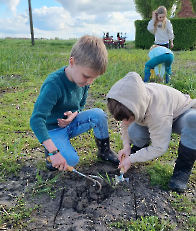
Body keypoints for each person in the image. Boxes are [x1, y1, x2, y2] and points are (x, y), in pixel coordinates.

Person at [30, 35, 119, 171]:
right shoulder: (54, 85)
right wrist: (54, 152)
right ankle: (51, 153)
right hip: (53, 130)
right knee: (71, 160)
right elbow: (36, 120)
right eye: (87, 76)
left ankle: (104, 152)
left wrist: (74, 114)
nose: (89, 82)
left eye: (93, 79)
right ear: (72, 62)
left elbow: (81, 104)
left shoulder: (83, 82)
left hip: (71, 123)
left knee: (99, 115)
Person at [106, 72, 196, 193]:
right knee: (134, 131)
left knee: (193, 120)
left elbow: (159, 147)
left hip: (179, 115)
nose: (125, 122)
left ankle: (182, 170)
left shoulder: (156, 112)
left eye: (128, 118)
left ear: (137, 108)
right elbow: (125, 123)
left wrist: (131, 159)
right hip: (151, 117)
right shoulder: (130, 101)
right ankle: (138, 149)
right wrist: (126, 146)